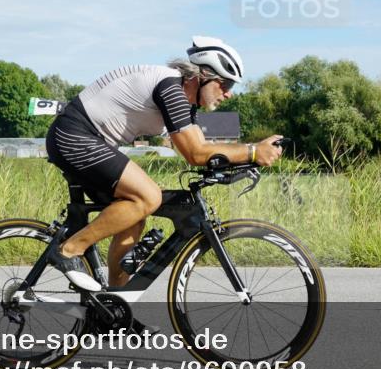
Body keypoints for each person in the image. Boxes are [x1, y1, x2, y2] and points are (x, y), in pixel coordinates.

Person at [44, 36, 283, 296]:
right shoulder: (170, 87)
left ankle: (114, 302)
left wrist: (238, 160)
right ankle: (68, 251)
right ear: (202, 76)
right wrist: (251, 151)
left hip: (91, 140)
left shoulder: (186, 100)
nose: (228, 92)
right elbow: (195, 153)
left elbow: (204, 150)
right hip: (74, 135)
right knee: (148, 196)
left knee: (133, 217)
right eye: (224, 83)